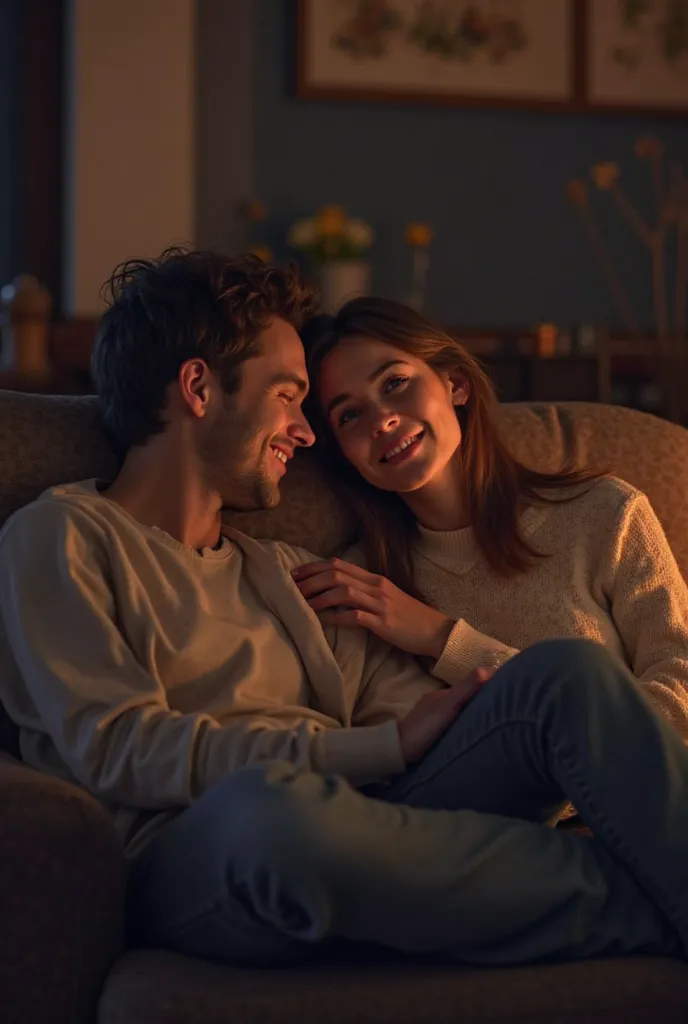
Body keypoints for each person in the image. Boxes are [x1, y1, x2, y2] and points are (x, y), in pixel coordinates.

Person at [0, 251, 687, 971]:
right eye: (290, 397)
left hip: (363, 815)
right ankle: (652, 895)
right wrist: (377, 749)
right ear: (199, 387)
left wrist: (444, 700)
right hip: (200, 845)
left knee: (562, 675)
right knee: (279, 815)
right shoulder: (63, 535)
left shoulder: (293, 573)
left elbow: (431, 722)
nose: (304, 432)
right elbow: (120, 747)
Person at [298, 298, 688, 746]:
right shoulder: (361, 587)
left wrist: (445, 640)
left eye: (395, 383)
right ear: (344, 454)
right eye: (349, 414)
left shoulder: (606, 514)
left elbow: (681, 704)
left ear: (456, 385)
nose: (382, 420)